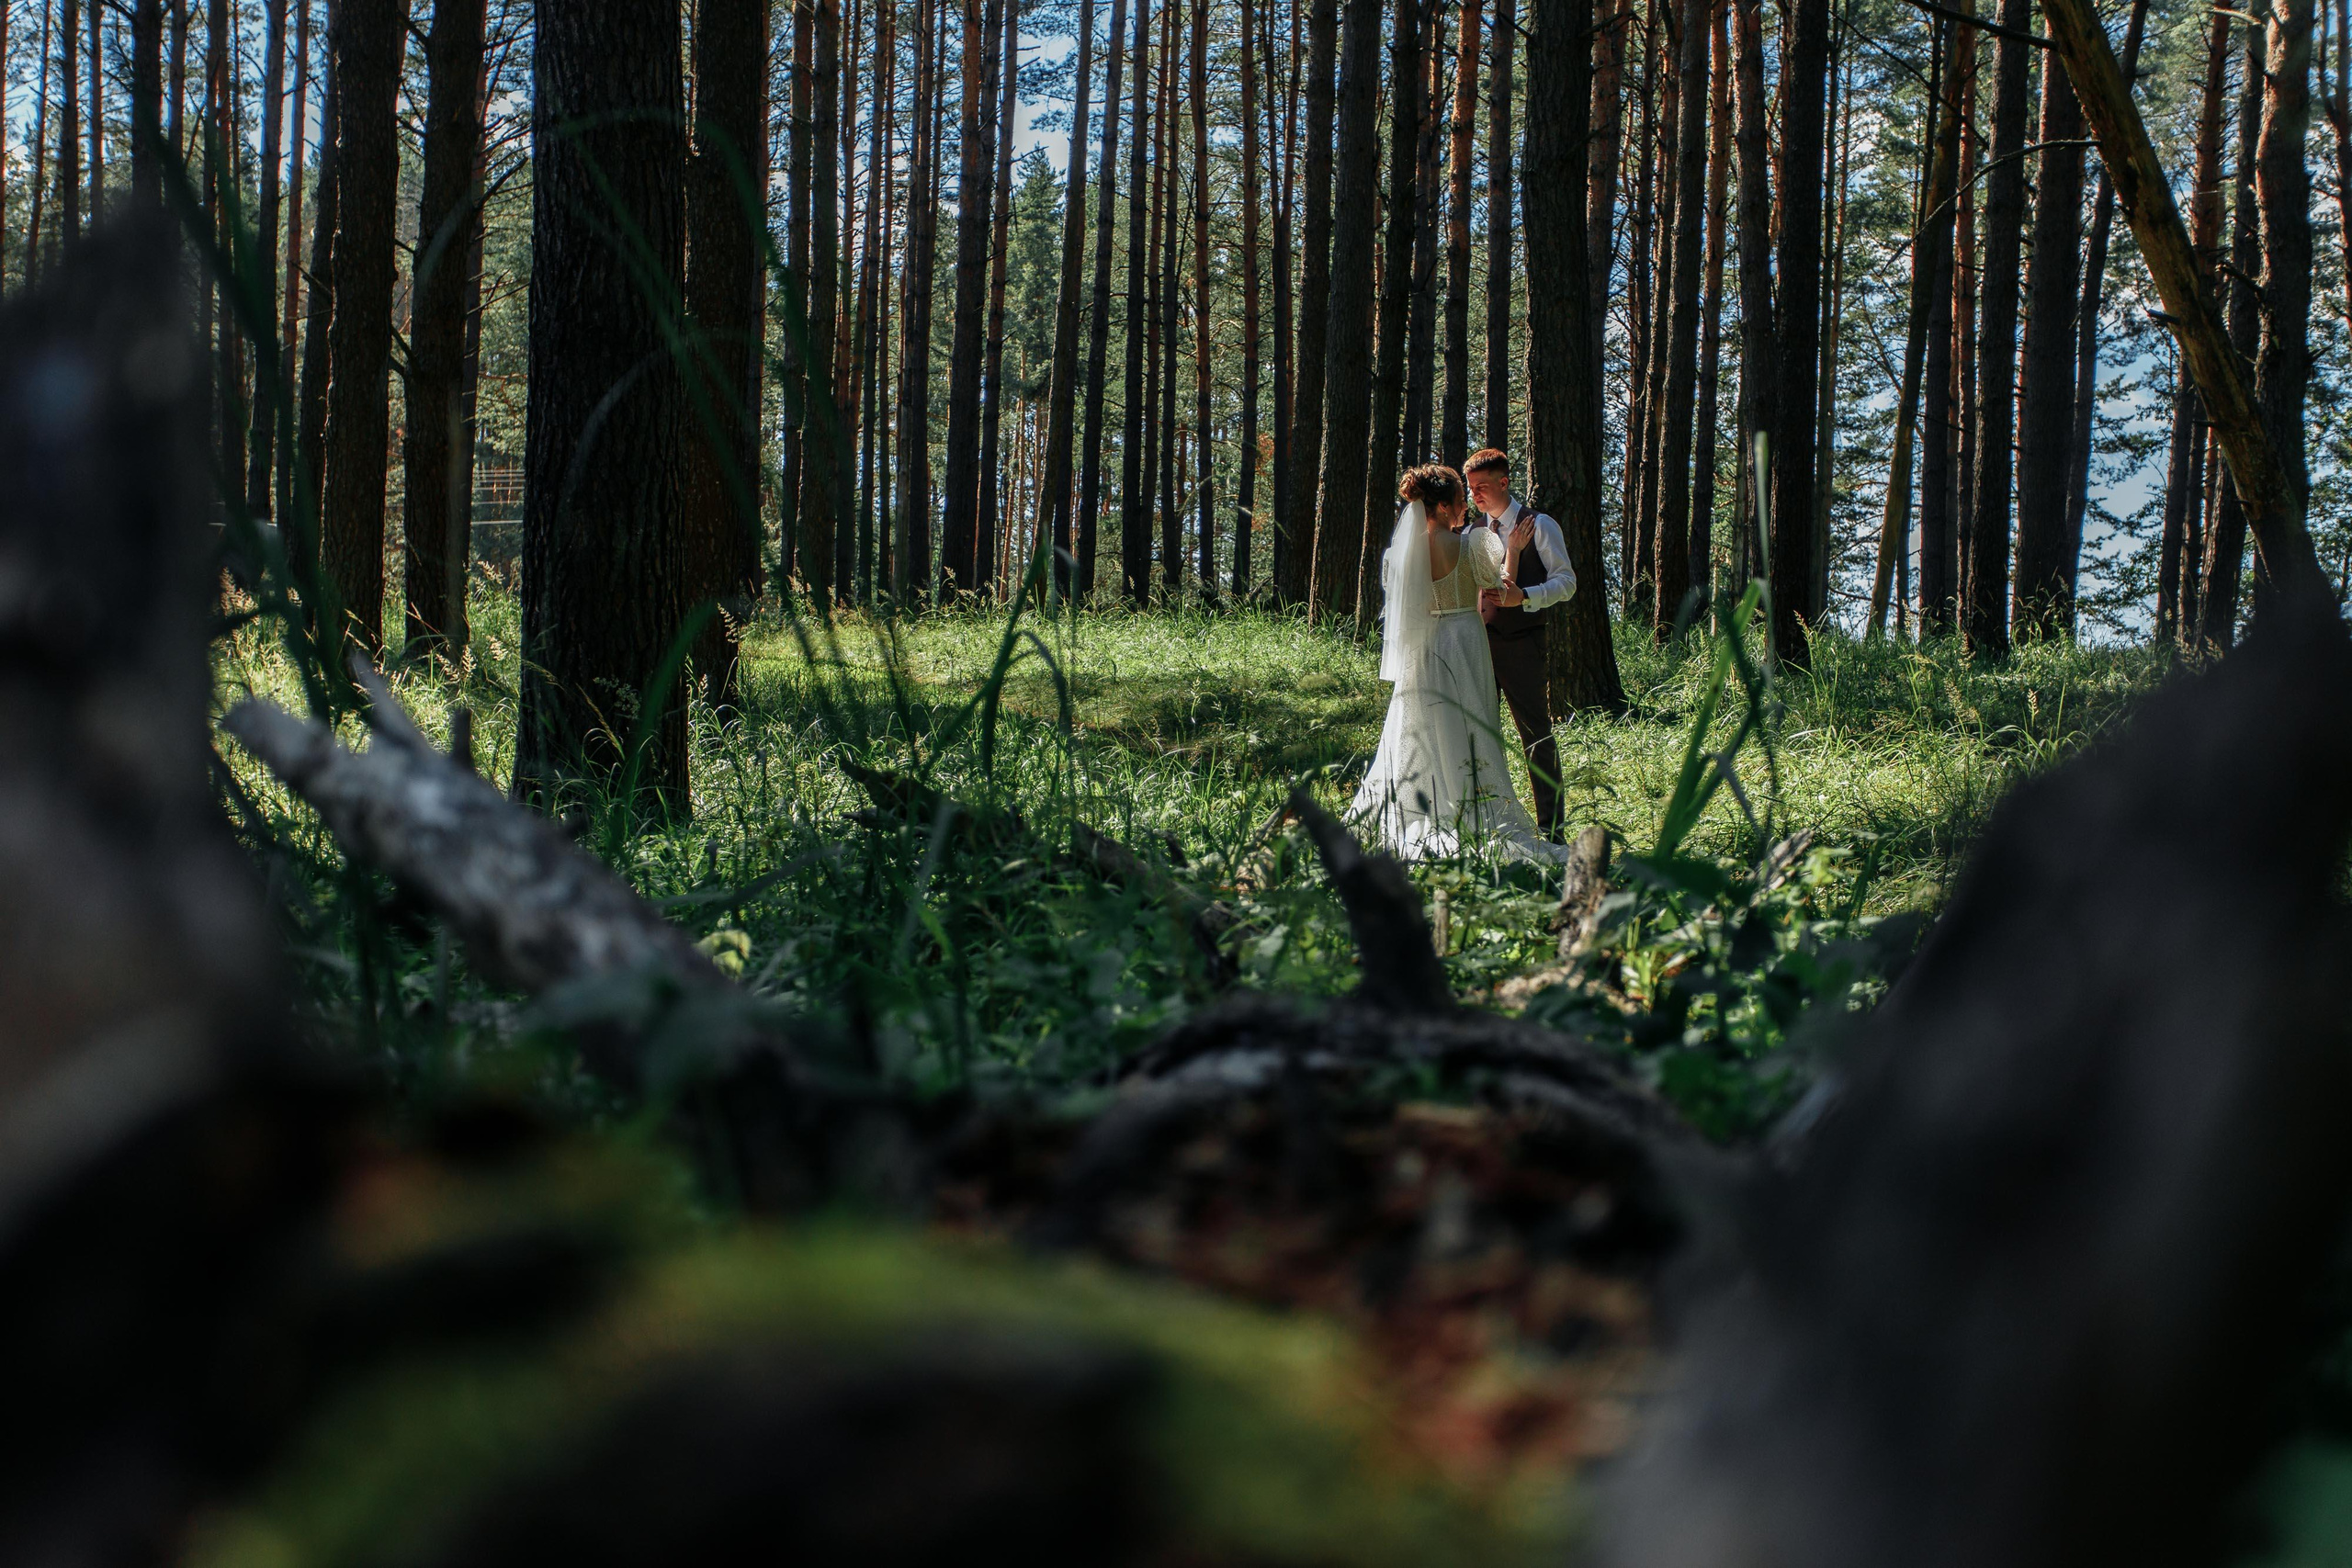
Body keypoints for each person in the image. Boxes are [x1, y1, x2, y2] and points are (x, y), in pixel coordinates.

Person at [1350, 465, 1571, 866]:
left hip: (1422, 649)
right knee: (1471, 725)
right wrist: (1515, 552)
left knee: (1420, 729)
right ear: (1446, 504)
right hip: (1464, 642)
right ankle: (1476, 810)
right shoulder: (1473, 544)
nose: (1466, 504)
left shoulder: (1399, 555)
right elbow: (1499, 588)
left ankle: (1421, 810)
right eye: (1460, 498)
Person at [1463, 447, 1576, 839]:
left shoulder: (1539, 524)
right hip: (1478, 646)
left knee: (1536, 736)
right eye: (1470, 487)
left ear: (1504, 483)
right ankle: (1487, 825)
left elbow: (1567, 583)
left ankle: (1554, 830)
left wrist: (1525, 596)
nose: (1474, 494)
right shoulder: (1473, 532)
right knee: (1477, 735)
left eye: (1481, 486)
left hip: (1523, 645)